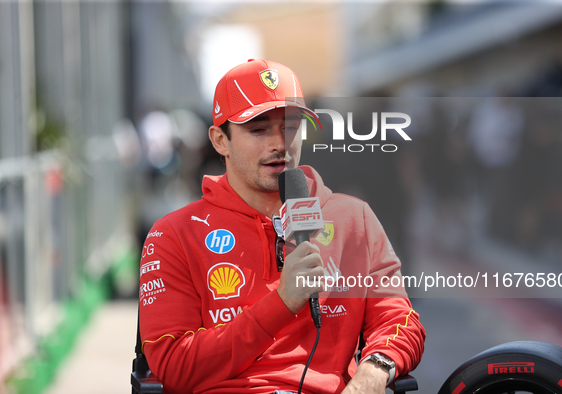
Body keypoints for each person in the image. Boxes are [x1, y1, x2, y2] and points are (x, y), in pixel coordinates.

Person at [139, 59, 425, 394]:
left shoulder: (353, 218)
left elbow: (400, 323)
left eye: (290, 127)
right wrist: (282, 302)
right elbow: (175, 366)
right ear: (220, 141)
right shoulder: (173, 234)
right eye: (258, 129)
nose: (279, 143)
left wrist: (372, 374)